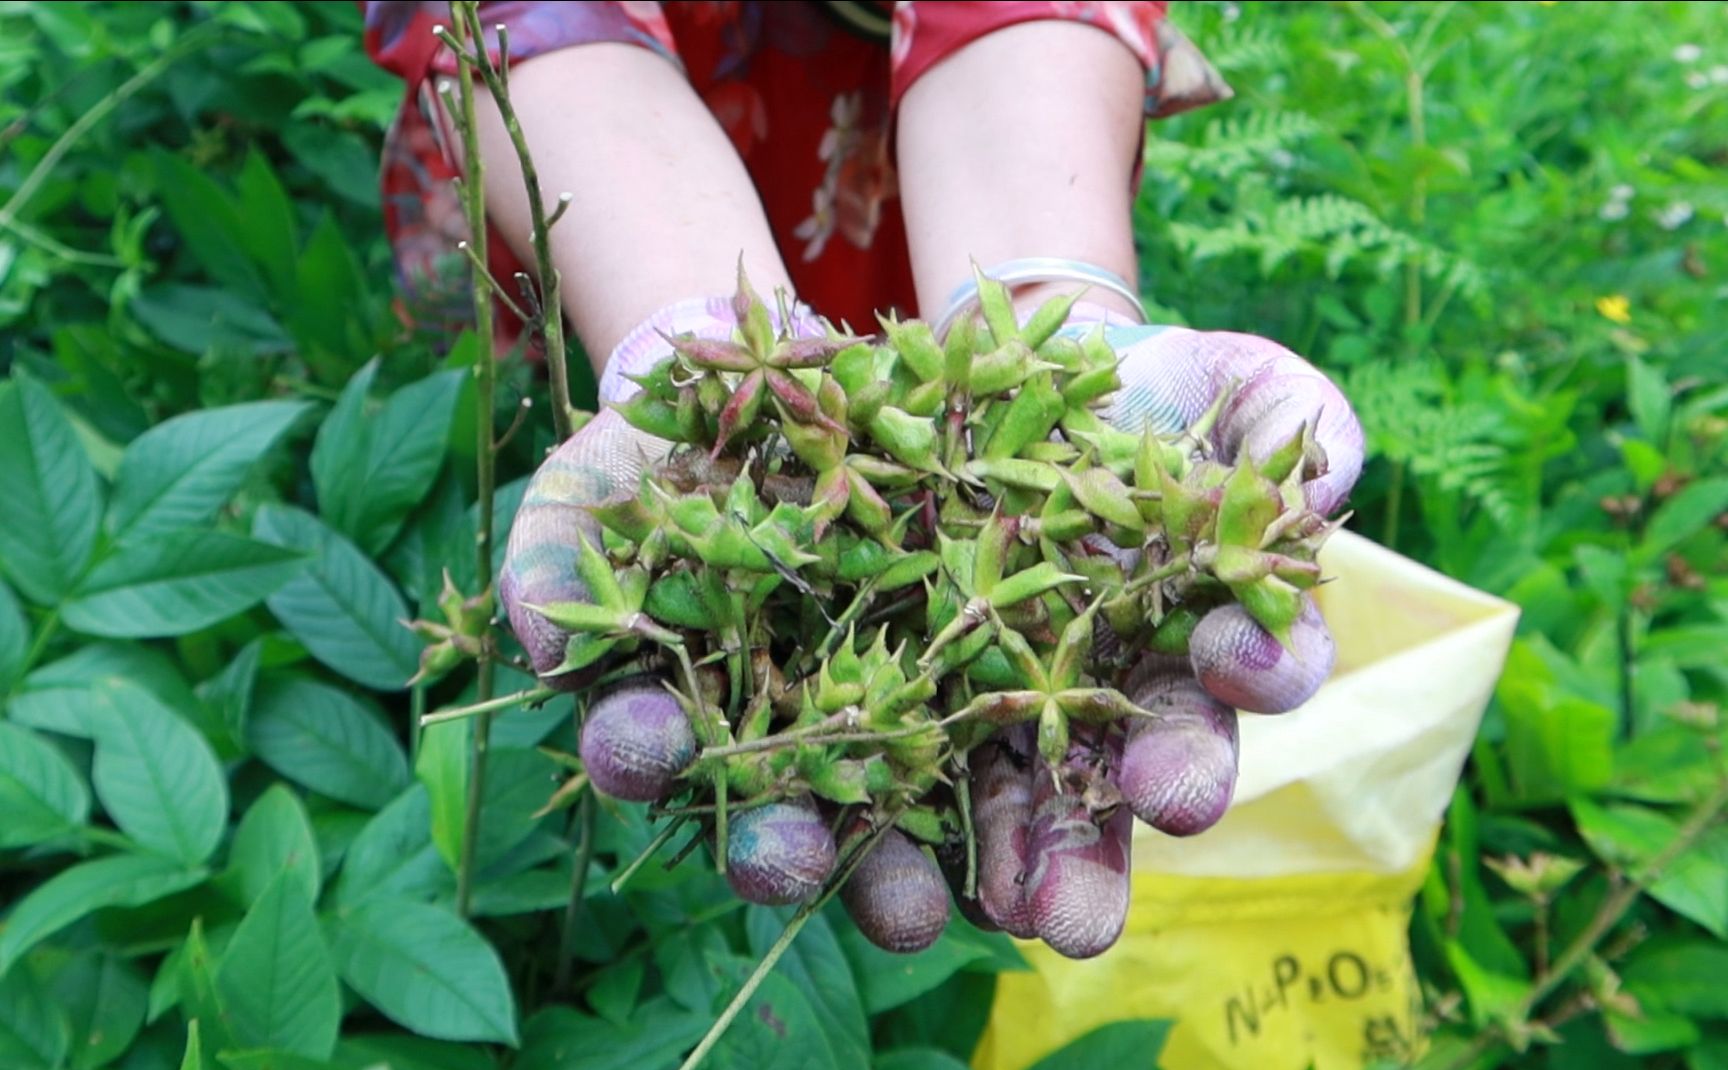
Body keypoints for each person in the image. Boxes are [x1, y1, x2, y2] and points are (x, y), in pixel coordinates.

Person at [361, 0, 1365, 957]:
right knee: (631, 386)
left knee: (866, 392)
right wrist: (694, 337)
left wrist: (1051, 303)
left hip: (931, 205)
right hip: (594, 145)